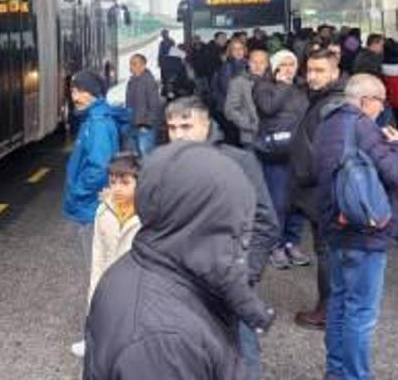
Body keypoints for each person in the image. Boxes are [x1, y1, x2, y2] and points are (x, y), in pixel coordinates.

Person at [83, 145, 274, 379]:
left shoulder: (139, 267)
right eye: (236, 221)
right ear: (209, 221)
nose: (243, 236)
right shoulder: (165, 342)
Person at [165, 96, 279, 379]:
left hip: (229, 281)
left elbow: (265, 222)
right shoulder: (166, 164)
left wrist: (245, 274)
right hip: (184, 282)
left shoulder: (238, 161)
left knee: (242, 353)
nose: (178, 135)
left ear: (206, 125)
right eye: (172, 128)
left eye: (186, 126)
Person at [313, 74, 398, 380]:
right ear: (367, 101)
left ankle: (336, 371)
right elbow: (396, 173)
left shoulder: (326, 123)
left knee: (339, 304)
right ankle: (355, 376)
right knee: (361, 313)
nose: (382, 108)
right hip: (364, 232)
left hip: (334, 225)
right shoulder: (364, 126)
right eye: (381, 101)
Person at [63, 70, 132, 357]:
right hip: (91, 206)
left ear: (90, 92)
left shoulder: (98, 122)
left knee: (100, 276)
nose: (73, 95)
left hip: (92, 207)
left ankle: (99, 340)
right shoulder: (96, 119)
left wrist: (78, 190)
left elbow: (100, 165)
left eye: (77, 90)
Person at [292, 48, 349, 330]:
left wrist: (304, 173)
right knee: (328, 251)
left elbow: (330, 155)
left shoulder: (332, 104)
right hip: (320, 192)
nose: (312, 76)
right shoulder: (325, 99)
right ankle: (332, 307)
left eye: (319, 71)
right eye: (310, 70)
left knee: (327, 252)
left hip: (325, 193)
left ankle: (327, 310)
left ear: (335, 72)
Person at [254, 50, 311, 268]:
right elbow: (269, 108)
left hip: (299, 152)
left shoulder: (302, 87)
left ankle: (291, 242)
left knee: (298, 202)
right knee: (278, 202)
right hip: (276, 152)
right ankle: (275, 246)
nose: (288, 68)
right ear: (274, 66)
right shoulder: (263, 87)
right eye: (283, 64)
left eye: (292, 64)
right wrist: (283, 86)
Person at [86, 153, 142, 311]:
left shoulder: (148, 216)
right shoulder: (103, 211)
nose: (117, 189)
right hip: (110, 289)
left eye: (125, 183)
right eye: (112, 182)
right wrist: (93, 297)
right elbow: (98, 256)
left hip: (137, 293)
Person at [225, 48, 270, 149]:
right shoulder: (238, 81)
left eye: (262, 62)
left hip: (272, 135)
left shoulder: (273, 81)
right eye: (254, 62)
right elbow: (230, 110)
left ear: (267, 64)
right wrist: (251, 125)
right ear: (248, 62)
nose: (258, 66)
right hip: (250, 137)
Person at [125, 54, 163, 156]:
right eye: (130, 64)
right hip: (133, 125)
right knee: (134, 158)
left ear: (143, 65)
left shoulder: (149, 81)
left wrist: (147, 124)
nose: (131, 67)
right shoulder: (132, 81)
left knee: (146, 156)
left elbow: (154, 105)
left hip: (145, 127)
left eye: (134, 64)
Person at [211, 37, 249, 135]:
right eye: (234, 49)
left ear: (244, 50)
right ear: (230, 51)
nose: (238, 51)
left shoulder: (247, 64)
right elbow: (227, 89)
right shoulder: (228, 66)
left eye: (240, 48)